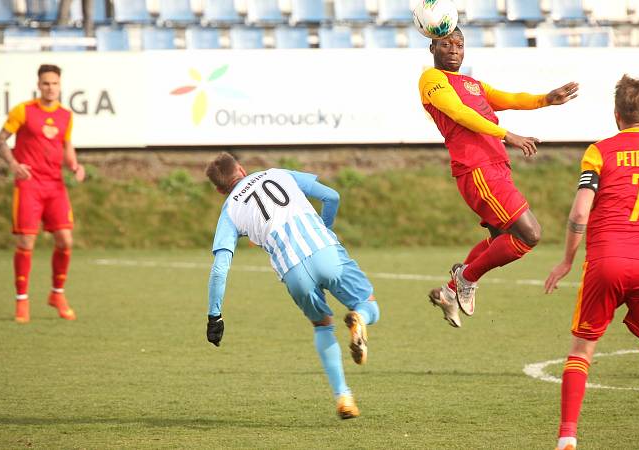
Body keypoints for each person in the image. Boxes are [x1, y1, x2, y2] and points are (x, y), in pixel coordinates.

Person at [544, 75, 639, 450]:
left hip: (605, 262)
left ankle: (567, 437)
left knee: (582, 350)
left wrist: (566, 259)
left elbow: (581, 209)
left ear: (616, 114)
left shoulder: (599, 151)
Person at [418, 27, 579, 327]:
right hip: (476, 168)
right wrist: (508, 135)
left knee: (501, 239)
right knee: (530, 234)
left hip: (495, 167)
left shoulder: (471, 83)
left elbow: (509, 98)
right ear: (433, 49)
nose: (453, 49)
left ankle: (451, 291)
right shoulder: (432, 79)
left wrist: (546, 99)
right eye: (445, 44)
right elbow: (460, 114)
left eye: (459, 44)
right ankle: (466, 277)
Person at [203, 152, 380, 419]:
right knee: (368, 305)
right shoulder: (278, 173)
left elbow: (220, 268)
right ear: (241, 168)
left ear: (219, 189)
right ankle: (359, 319)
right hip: (325, 251)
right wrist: (325, 229)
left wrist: (214, 316)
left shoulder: (229, 210)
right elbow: (332, 196)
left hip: (292, 270)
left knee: (322, 325)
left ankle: (343, 397)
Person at [0, 64, 85, 324]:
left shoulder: (66, 116)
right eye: (46, 83)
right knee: (26, 242)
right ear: (38, 85)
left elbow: (66, 145)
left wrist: (75, 166)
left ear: (60, 85)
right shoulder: (23, 111)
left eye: (54, 83)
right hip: (29, 185)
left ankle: (57, 294)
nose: (50, 87)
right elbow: (1, 140)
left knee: (65, 240)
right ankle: (21, 300)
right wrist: (13, 165)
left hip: (55, 185)